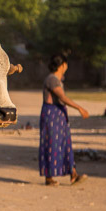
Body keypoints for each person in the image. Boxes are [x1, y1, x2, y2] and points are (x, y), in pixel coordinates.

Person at [39, 53, 89, 186]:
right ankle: (49, 177)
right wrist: (79, 108)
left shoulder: (58, 79)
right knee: (52, 144)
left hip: (58, 114)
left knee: (65, 144)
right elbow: (62, 97)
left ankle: (73, 174)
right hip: (52, 114)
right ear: (62, 65)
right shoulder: (52, 79)